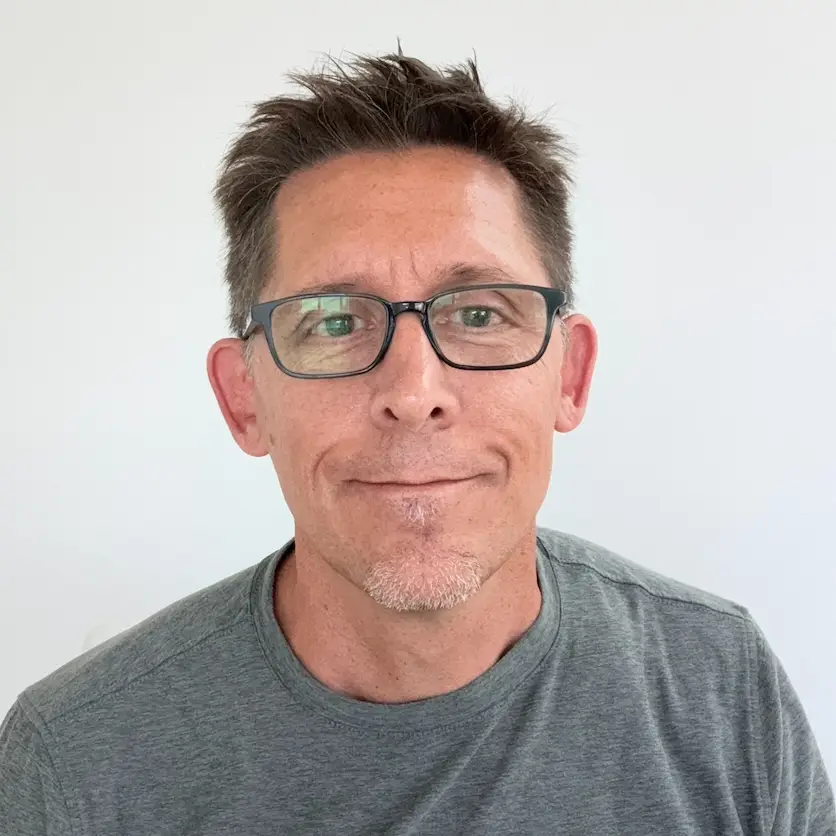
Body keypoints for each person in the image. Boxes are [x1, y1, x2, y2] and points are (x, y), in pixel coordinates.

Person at [1, 50, 833, 836]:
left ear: (570, 377)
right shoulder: (77, 762)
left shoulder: (720, 686)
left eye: (479, 315)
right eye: (333, 321)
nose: (413, 394)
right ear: (243, 398)